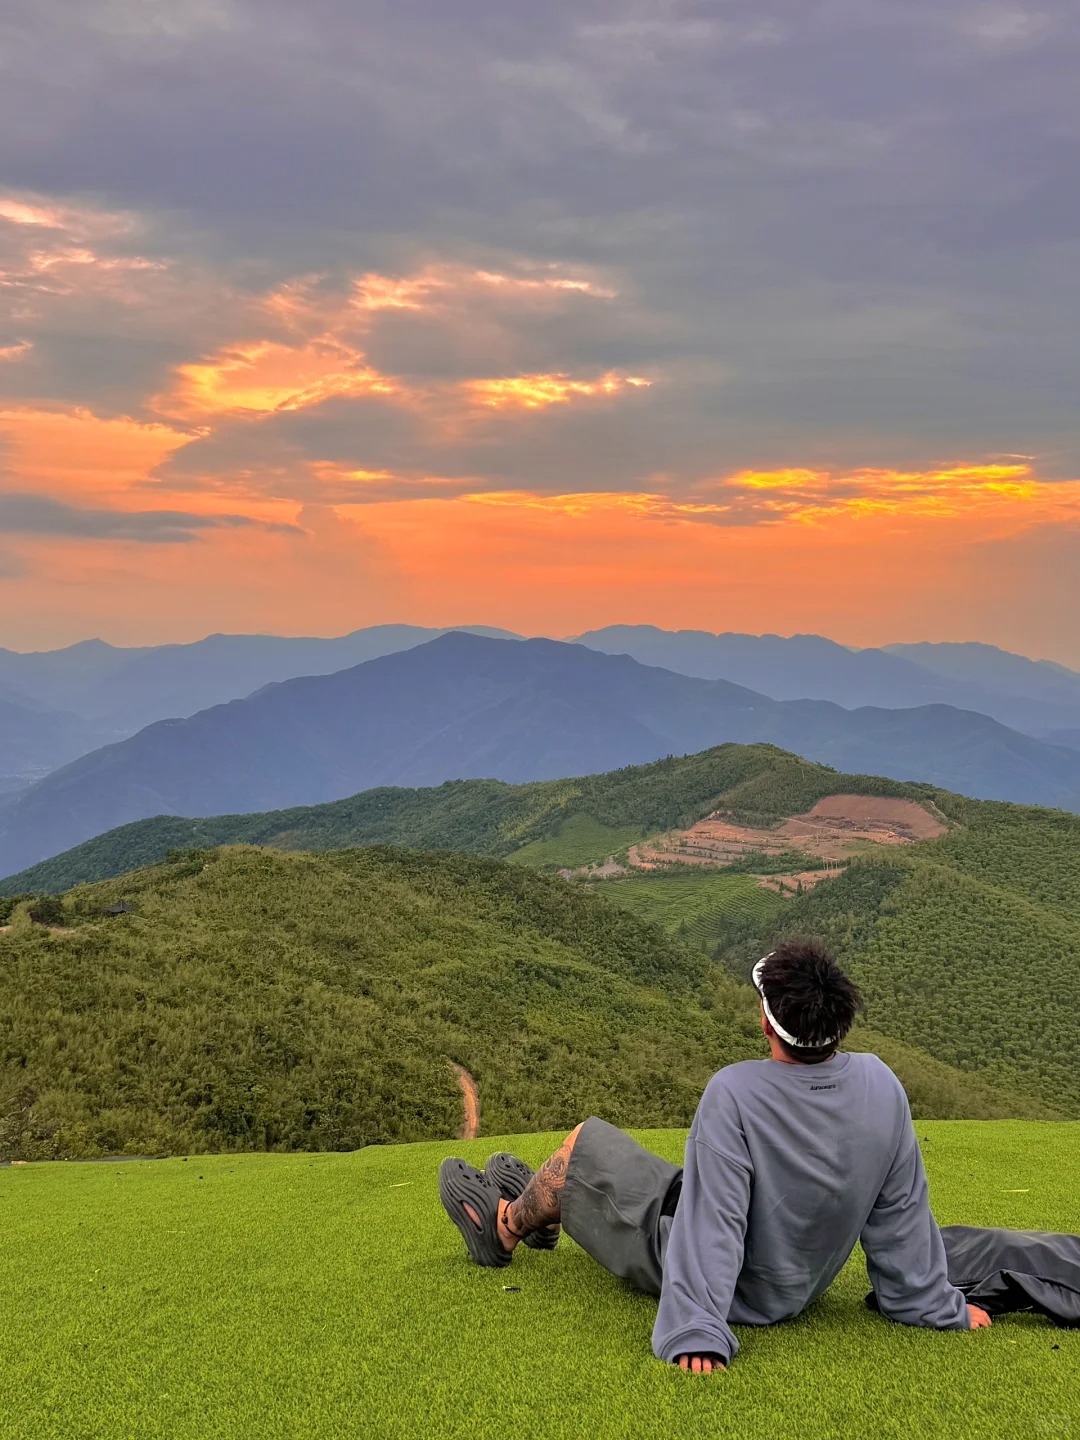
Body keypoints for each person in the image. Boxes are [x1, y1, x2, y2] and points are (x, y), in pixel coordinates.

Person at [438, 937, 994, 1371]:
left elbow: (716, 1223)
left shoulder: (736, 1092)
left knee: (582, 1143)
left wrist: (699, 1327)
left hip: (737, 1288)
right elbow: (901, 1216)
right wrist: (929, 1303)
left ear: (766, 1021)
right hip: (800, 1282)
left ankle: (505, 1225)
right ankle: (545, 1215)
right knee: (631, 1174)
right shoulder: (882, 1084)